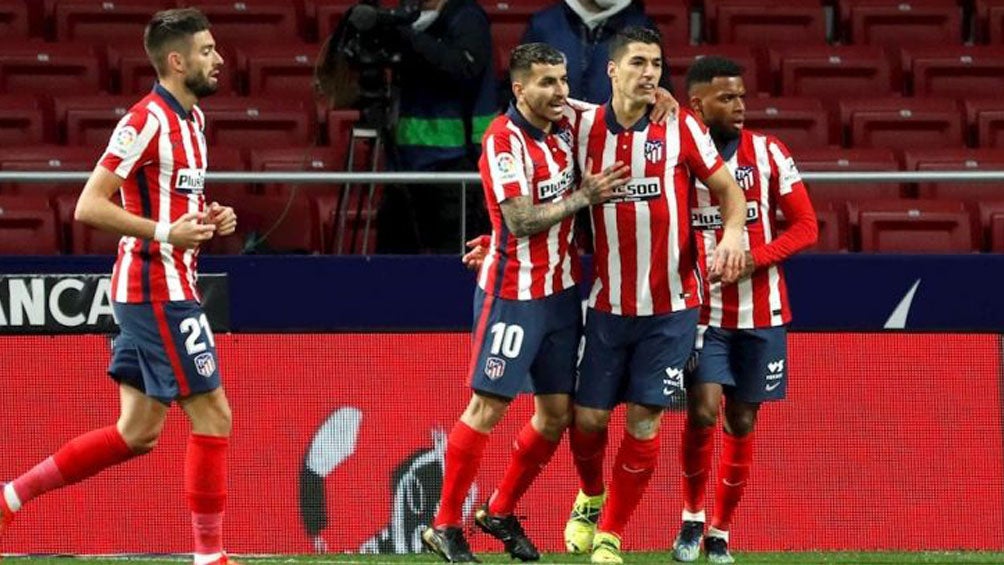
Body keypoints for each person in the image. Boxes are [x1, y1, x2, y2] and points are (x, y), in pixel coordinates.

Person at [0, 9, 239, 565]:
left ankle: (10, 497)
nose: (219, 58)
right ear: (176, 61)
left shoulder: (195, 122)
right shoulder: (146, 120)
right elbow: (89, 204)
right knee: (214, 415)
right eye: (207, 50)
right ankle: (211, 559)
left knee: (137, 432)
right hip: (156, 287)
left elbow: (173, 204)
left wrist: (208, 217)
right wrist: (165, 231)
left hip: (163, 281)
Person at [420, 42, 632, 563]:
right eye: (547, 82)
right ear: (520, 88)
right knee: (487, 406)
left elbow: (626, 104)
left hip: (561, 295)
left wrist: (666, 97)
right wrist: (584, 196)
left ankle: (499, 508)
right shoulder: (502, 139)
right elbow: (518, 220)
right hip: (514, 295)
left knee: (556, 413)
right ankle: (444, 524)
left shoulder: (565, 119)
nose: (561, 91)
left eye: (563, 80)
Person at [561, 27, 747, 564]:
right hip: (607, 306)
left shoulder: (681, 125)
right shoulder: (580, 123)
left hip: (671, 309)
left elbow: (728, 192)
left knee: (644, 420)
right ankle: (591, 497)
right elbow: (525, 96)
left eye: (658, 64)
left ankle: (612, 536)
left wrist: (733, 233)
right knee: (588, 421)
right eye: (638, 63)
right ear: (612, 70)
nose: (650, 73)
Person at [669, 56, 818, 564]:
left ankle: (720, 532)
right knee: (703, 411)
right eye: (727, 98)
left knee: (743, 420)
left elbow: (806, 227)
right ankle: (690, 520)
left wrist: (754, 260)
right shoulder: (680, 160)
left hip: (763, 313)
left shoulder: (769, 152)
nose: (739, 106)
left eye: (742, 96)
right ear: (698, 105)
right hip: (704, 315)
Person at [374, 0, 497, 254]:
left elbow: (462, 68)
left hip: (455, 167)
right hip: (404, 166)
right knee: (394, 264)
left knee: (453, 266)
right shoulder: (404, 19)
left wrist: (408, 37)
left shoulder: (468, 18)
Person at [522, 0, 669, 104]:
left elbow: (659, 93)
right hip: (554, 139)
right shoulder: (543, 26)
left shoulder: (641, 26)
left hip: (617, 138)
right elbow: (521, 92)